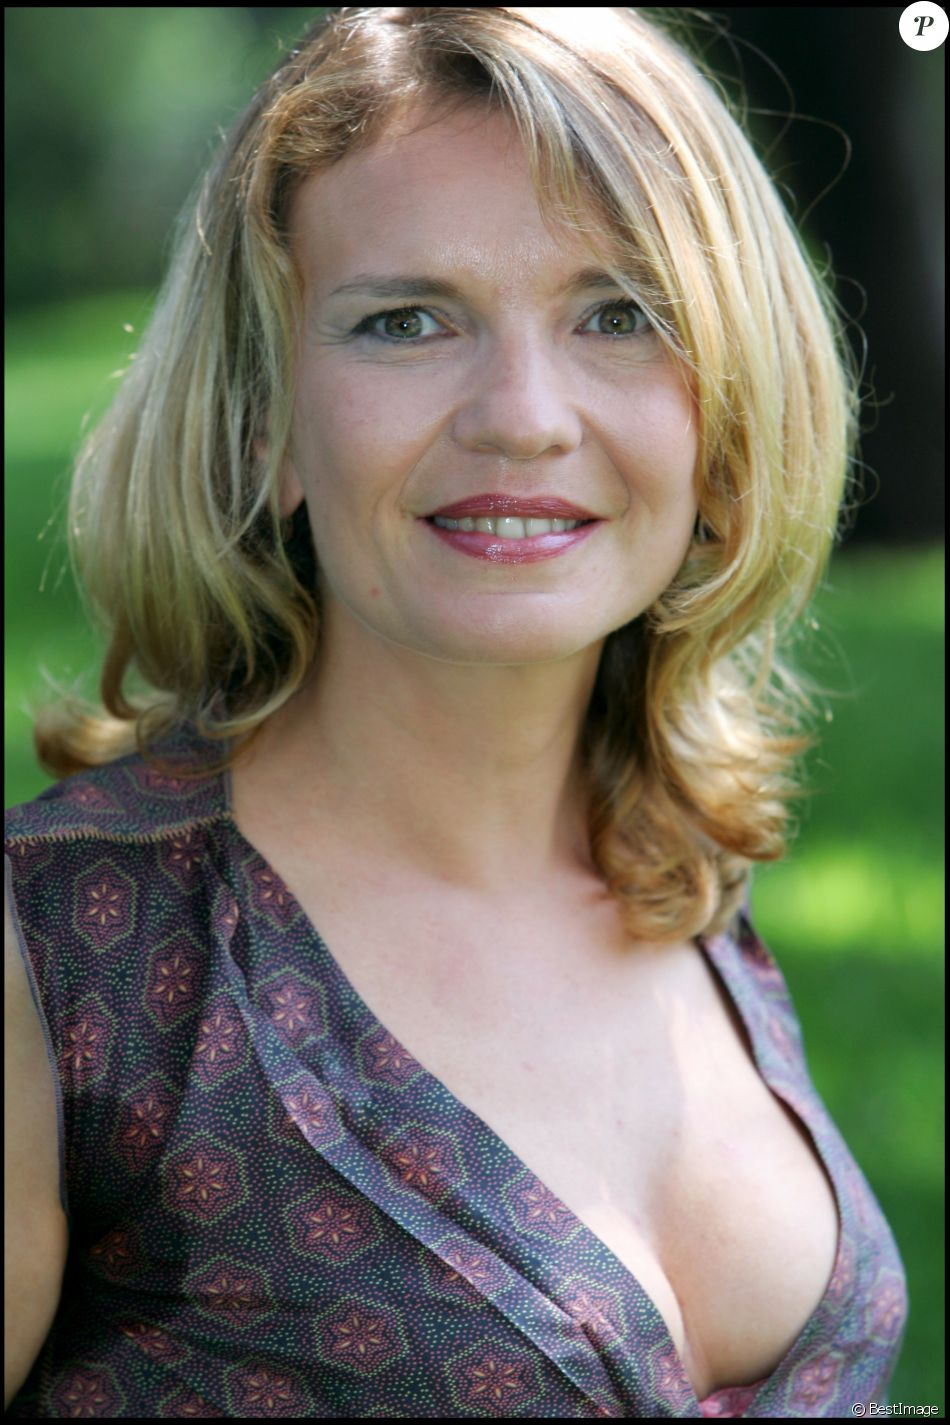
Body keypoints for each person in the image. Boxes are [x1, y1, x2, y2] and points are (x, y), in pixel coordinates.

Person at [4, 7, 908, 1418]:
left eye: (620, 314)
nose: (523, 416)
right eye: (406, 322)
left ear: (725, 413)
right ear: (266, 420)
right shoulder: (58, 952)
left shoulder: (684, 871)